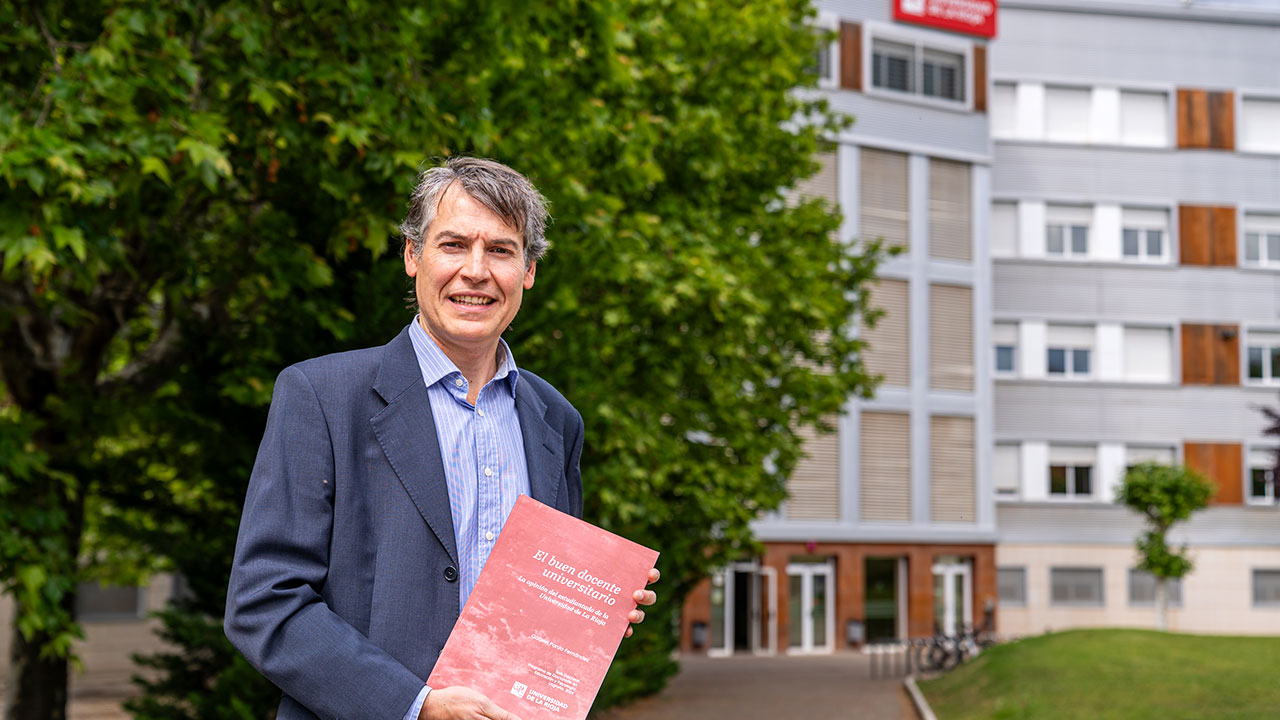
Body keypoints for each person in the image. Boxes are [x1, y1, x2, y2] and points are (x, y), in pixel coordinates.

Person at [224, 157, 658, 720]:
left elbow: (538, 615)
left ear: (528, 270)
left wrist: (587, 611)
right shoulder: (321, 397)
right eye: (453, 245)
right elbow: (265, 603)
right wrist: (415, 706)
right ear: (412, 256)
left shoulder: (556, 421)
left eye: (500, 250)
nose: (475, 271)